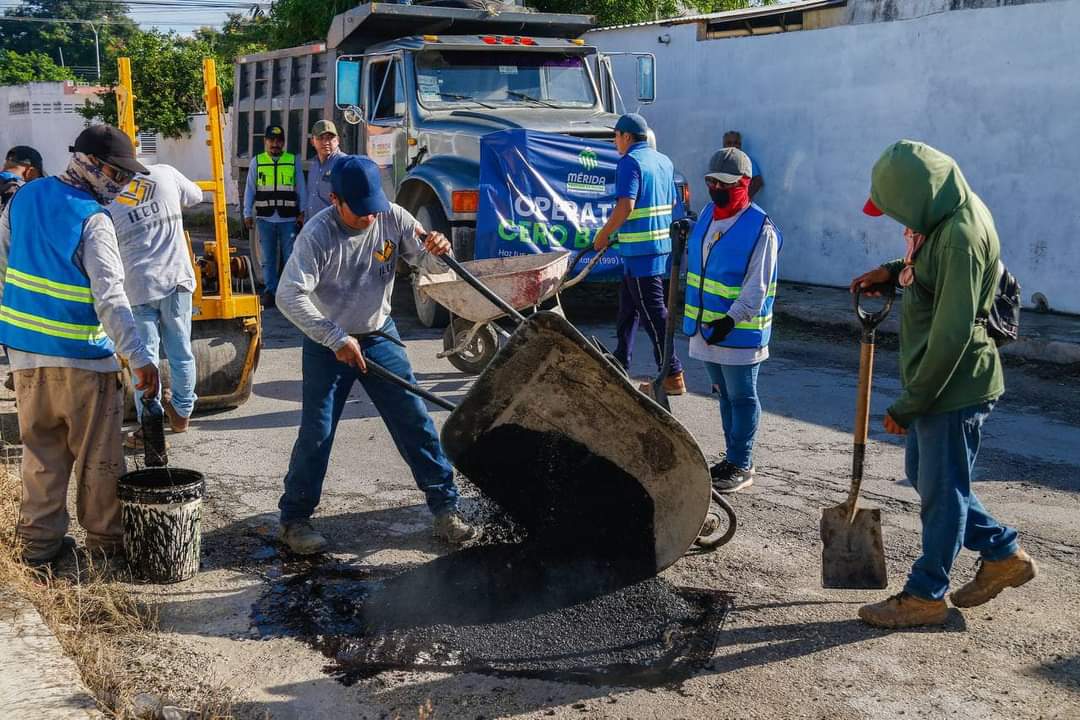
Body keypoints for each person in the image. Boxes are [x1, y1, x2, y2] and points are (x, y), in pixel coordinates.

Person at [851, 140, 1036, 628]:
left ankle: (925, 594)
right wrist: (893, 273)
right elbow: (929, 272)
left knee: (943, 491)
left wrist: (910, 404)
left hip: (952, 385)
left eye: (896, 211)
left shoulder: (958, 234)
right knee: (933, 480)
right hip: (944, 383)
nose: (896, 221)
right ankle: (1001, 553)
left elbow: (953, 335)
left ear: (917, 196)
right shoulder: (947, 212)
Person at [275, 155, 476, 554]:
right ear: (336, 200)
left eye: (375, 209)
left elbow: (427, 262)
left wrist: (437, 247)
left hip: (378, 332)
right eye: (361, 211)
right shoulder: (317, 235)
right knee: (317, 432)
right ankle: (294, 519)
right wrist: (335, 338)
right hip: (327, 341)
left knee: (413, 419)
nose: (370, 218)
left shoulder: (392, 216)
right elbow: (287, 295)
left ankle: (445, 508)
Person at [0, 125, 158, 566]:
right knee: (100, 461)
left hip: (27, 358)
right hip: (85, 362)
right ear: (93, 165)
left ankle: (39, 549)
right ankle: (106, 552)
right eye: (118, 173)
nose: (122, 184)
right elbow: (110, 298)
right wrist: (140, 357)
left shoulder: (22, 198)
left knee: (42, 457)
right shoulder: (92, 218)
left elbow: (5, 265)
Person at [683, 147, 781, 494]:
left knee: (741, 397)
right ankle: (731, 458)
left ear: (745, 184)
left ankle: (742, 462)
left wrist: (730, 320)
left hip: (738, 332)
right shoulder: (709, 214)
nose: (716, 189)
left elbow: (757, 288)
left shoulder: (761, 229)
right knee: (722, 394)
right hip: (704, 328)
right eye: (711, 182)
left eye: (725, 184)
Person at [109, 163, 203, 442]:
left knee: (144, 358)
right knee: (181, 350)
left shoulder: (107, 197)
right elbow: (196, 195)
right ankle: (182, 414)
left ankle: (149, 427)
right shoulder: (165, 173)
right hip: (176, 281)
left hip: (137, 287)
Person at [592, 113, 684, 395]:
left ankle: (672, 373)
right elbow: (668, 201)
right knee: (628, 308)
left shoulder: (630, 162)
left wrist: (604, 233)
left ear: (627, 137)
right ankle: (620, 360)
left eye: (615, 136)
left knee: (653, 312)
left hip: (642, 250)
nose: (614, 142)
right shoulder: (663, 161)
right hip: (654, 247)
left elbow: (627, 206)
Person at [243, 125, 305, 308]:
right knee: (268, 258)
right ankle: (270, 292)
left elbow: (301, 188)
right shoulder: (257, 162)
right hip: (265, 219)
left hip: (288, 219)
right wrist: (247, 213)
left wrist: (302, 212)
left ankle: (288, 294)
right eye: (271, 140)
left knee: (290, 257)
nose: (275, 144)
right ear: (265, 142)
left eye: (279, 141)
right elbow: (250, 190)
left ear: (283, 142)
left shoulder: (293, 161)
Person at [304, 119, 346, 217]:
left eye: (330, 138)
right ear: (312, 141)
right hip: (312, 225)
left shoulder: (344, 164)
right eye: (320, 138)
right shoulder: (313, 165)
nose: (325, 142)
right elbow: (311, 197)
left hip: (333, 226)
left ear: (338, 140)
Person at [723, 131, 764, 200]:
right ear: (724, 145)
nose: (733, 146)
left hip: (741, 206)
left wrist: (744, 199)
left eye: (736, 143)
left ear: (740, 145)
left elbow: (758, 181)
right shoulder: (720, 162)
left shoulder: (747, 161)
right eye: (729, 143)